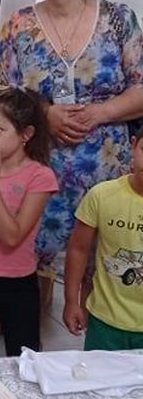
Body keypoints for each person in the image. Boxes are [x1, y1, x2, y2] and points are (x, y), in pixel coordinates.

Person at [0, 0, 143, 306]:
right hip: (40, 163)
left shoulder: (118, 19)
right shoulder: (19, 25)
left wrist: (99, 113)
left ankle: (96, 330)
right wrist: (45, 114)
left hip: (106, 166)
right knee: (30, 260)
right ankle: (31, 331)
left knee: (101, 257)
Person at [0, 88, 58, 356]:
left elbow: (11, 237)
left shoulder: (39, 177)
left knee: (24, 361)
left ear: (26, 134)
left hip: (17, 284)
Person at [63, 135, 143, 350]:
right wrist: (71, 301)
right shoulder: (102, 195)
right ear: (133, 145)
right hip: (105, 322)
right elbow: (78, 249)